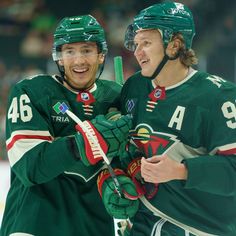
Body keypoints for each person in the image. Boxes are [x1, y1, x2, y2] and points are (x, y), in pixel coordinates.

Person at [100, 2, 236, 236]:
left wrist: (182, 170)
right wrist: (117, 177)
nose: (137, 51)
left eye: (146, 43)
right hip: (143, 224)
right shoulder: (135, 87)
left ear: (174, 45)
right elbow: (127, 150)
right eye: (137, 43)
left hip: (201, 228)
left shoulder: (219, 97)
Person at [0, 14, 133, 236]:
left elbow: (127, 160)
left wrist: (123, 182)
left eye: (87, 50)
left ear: (101, 55)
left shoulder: (118, 96)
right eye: (69, 51)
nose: (79, 60)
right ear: (58, 58)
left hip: (94, 225)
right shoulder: (32, 92)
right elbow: (30, 167)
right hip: (35, 224)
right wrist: (86, 141)